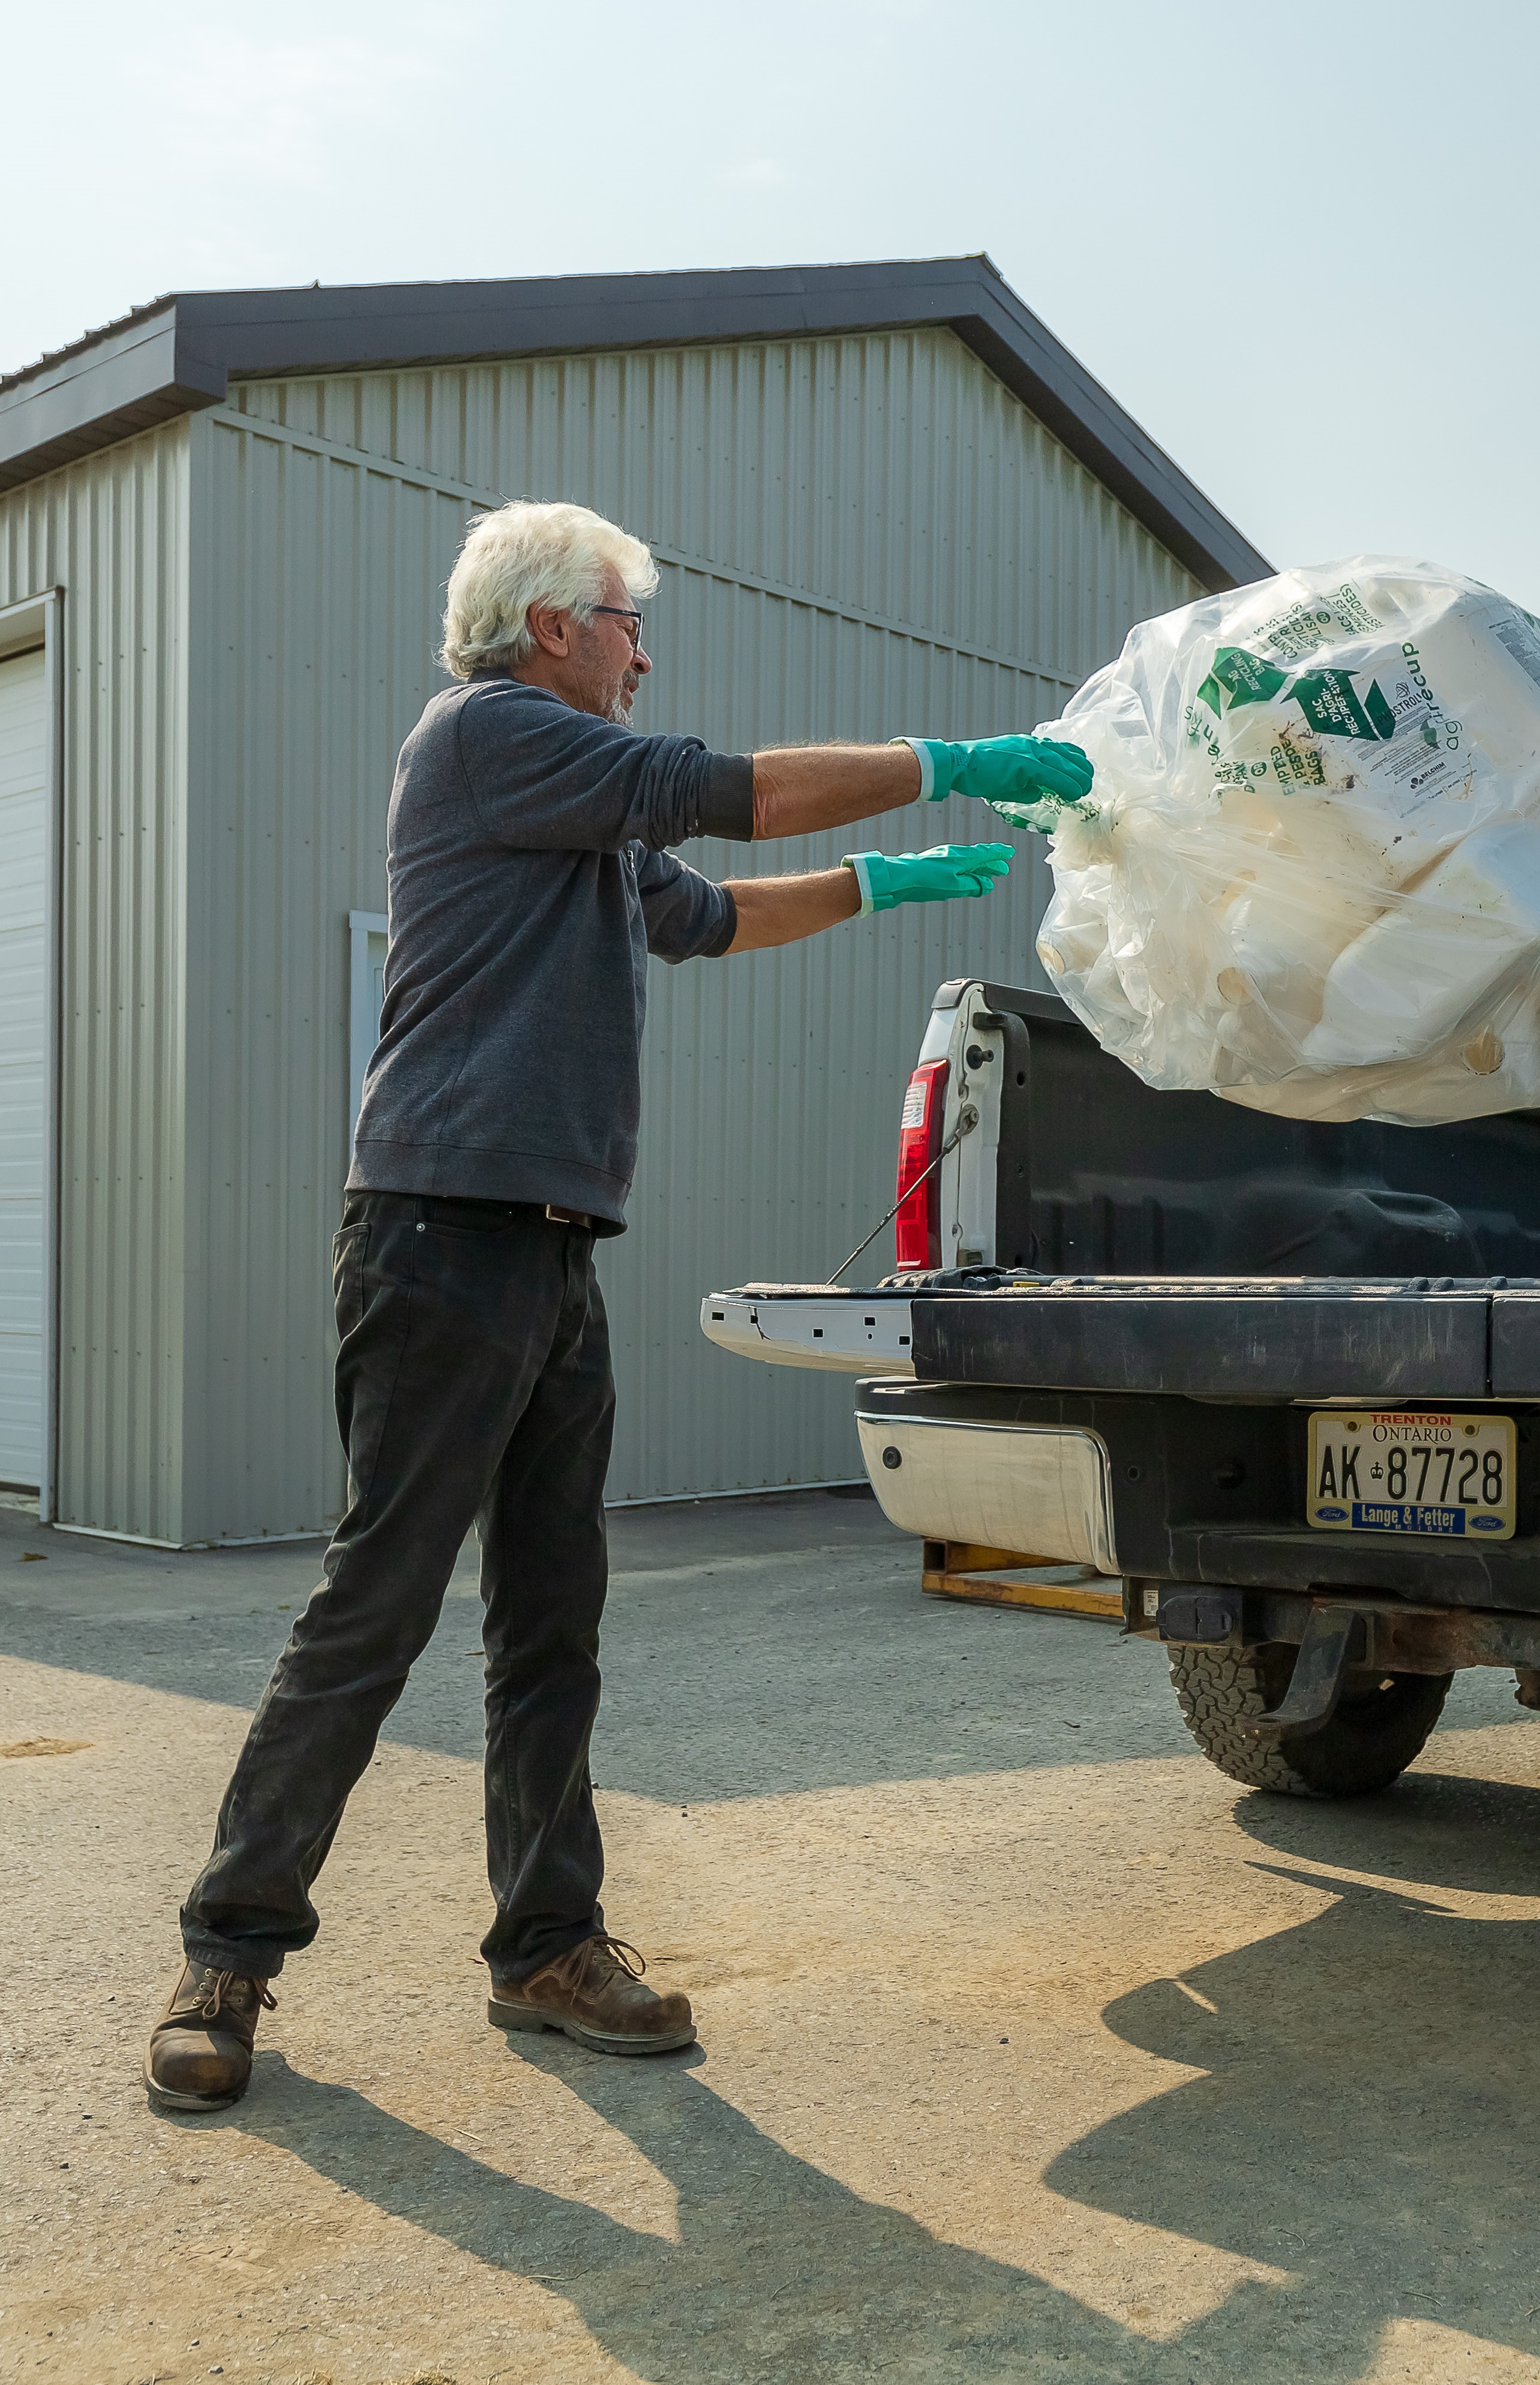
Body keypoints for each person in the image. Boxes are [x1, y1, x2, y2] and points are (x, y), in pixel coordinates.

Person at [146, 500, 1092, 2109]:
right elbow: (714, 794)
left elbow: (702, 911)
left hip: (550, 1244)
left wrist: (892, 883)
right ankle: (225, 1961)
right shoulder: (490, 735)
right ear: (548, 626)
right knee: (374, 1609)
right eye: (627, 622)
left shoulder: (571, 809)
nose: (644, 652)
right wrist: (947, 756)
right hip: (438, 1239)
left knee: (552, 1618)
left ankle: (547, 1947)